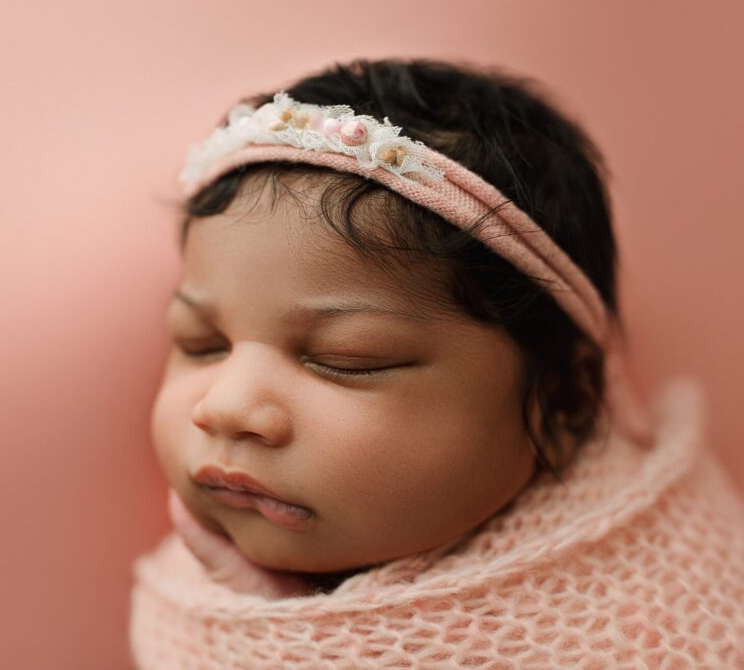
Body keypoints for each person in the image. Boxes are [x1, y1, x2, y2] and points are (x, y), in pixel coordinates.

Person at [129, 58, 744, 667]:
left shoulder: (662, 624)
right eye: (201, 344)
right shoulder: (185, 597)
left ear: (562, 403)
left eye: (347, 360)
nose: (227, 407)